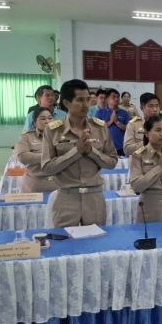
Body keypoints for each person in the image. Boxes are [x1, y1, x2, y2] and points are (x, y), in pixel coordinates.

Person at [41, 79, 118, 227]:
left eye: (87, 100)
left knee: (96, 240)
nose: (86, 105)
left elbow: (112, 162)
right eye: (80, 100)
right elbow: (47, 168)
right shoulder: (53, 131)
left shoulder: (100, 127)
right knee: (65, 241)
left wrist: (91, 151)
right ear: (66, 103)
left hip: (94, 197)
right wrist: (76, 152)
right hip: (67, 197)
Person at [15, 107, 58, 193]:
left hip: (59, 186)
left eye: (50, 118)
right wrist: (49, 156)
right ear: (34, 123)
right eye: (43, 119)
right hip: (34, 187)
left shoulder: (61, 136)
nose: (47, 121)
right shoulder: (27, 137)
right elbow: (22, 157)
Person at [94, 88, 130, 156]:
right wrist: (110, 121)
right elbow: (97, 129)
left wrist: (116, 122)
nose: (116, 99)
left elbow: (128, 129)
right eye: (113, 97)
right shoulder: (100, 113)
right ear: (107, 98)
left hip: (121, 147)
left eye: (118, 97)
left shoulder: (124, 113)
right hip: (104, 147)